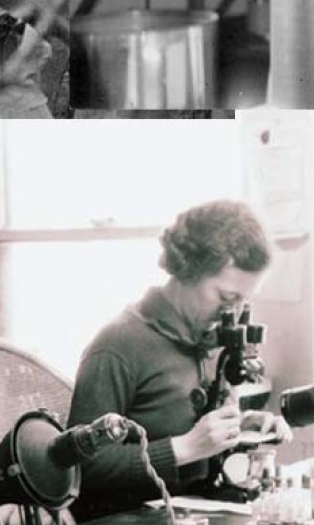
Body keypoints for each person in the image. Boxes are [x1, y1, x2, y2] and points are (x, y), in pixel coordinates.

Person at [66, 201, 291, 519]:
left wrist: (239, 428)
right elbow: (81, 469)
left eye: (244, 301)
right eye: (227, 298)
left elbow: (183, 424)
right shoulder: (118, 345)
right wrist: (183, 448)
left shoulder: (207, 337)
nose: (235, 314)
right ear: (189, 272)